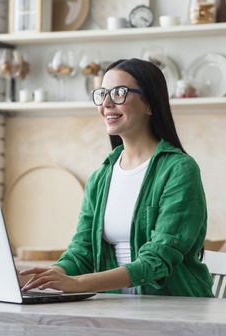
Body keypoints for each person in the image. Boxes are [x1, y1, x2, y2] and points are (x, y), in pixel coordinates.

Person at [20, 58, 213, 297]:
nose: (107, 103)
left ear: (150, 104)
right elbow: (82, 251)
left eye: (119, 93)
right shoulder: (101, 177)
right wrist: (49, 276)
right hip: (114, 310)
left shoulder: (179, 169)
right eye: (102, 94)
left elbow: (158, 260)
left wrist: (78, 284)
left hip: (174, 311)